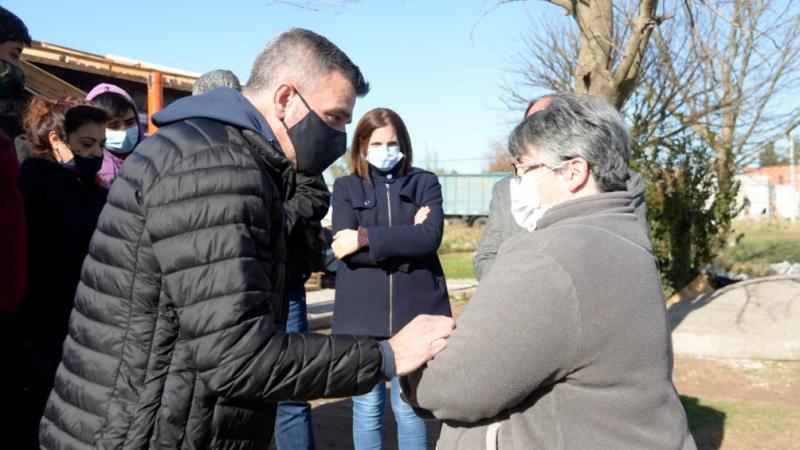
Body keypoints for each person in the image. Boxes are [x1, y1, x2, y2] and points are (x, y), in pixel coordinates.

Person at [38, 28, 454, 450]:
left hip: (162, 416)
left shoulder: (214, 152)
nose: (339, 137)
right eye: (333, 118)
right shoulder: (217, 168)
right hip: (149, 429)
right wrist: (386, 356)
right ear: (285, 97)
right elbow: (237, 356)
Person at [402, 94, 696, 450]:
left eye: (525, 169)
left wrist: (413, 365)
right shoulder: (628, 240)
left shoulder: (550, 256)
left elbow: (455, 389)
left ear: (574, 171)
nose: (517, 183)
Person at [331, 107, 451, 449]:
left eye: (392, 142)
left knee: (410, 407)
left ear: (404, 144)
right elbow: (343, 248)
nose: (385, 150)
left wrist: (366, 238)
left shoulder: (424, 182)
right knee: (367, 406)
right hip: (360, 314)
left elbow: (429, 238)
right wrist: (407, 235)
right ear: (362, 145)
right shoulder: (345, 187)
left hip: (415, 311)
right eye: (377, 142)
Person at [473, 94, 649, 280]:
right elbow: (486, 256)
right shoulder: (505, 189)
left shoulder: (624, 182)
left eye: (549, 124)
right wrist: (511, 288)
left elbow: (635, 255)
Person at [18, 97, 108, 447]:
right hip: (47, 329)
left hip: (88, 329)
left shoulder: (93, 190)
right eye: (87, 144)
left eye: (100, 145)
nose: (96, 154)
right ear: (57, 141)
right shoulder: (34, 183)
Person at [85, 83, 145, 188]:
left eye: (130, 122)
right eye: (113, 125)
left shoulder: (154, 159)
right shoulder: (86, 170)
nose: (124, 132)